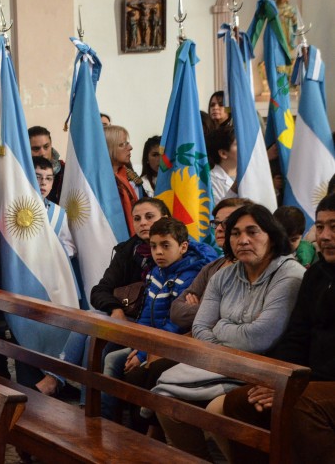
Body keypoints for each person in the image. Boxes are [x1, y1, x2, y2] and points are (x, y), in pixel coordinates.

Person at [155, 204, 304, 460]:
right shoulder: (224, 275)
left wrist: (221, 325)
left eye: (252, 232)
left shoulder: (289, 275)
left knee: (216, 411)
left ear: (271, 235)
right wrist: (232, 333)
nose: (243, 240)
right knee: (166, 402)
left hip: (264, 370)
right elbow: (200, 328)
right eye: (235, 233)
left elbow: (261, 337)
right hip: (221, 364)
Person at [219, 195, 335, 463]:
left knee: (299, 407)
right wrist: (276, 380)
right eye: (319, 227)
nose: (325, 236)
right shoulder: (316, 275)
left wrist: (295, 387)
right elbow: (297, 335)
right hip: (310, 379)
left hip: (321, 383)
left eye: (334, 226)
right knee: (239, 401)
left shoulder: (294, 272)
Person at [104, 218, 215, 422]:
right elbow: (146, 314)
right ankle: (107, 420)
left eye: (165, 246)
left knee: (131, 369)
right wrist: (139, 345)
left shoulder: (190, 276)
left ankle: (133, 426)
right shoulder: (157, 272)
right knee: (111, 356)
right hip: (150, 341)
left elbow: (177, 324)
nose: (158, 252)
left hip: (173, 344)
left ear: (183, 247)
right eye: (153, 246)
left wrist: (144, 352)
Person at [169, 197, 253, 332]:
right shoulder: (211, 267)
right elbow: (176, 312)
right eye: (216, 223)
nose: (219, 229)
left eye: (226, 223)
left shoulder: (252, 267)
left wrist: (201, 306)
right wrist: (213, 311)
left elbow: (241, 318)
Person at [90, 197, 170, 318]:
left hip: (163, 321)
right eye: (137, 219)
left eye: (149, 217)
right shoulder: (126, 251)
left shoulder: (181, 251)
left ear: (165, 219)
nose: (142, 223)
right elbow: (99, 291)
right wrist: (115, 309)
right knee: (87, 318)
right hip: (129, 315)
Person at [105, 125, 148, 235]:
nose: (130, 147)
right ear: (108, 149)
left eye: (127, 143)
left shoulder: (131, 178)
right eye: (122, 144)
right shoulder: (99, 184)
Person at [28, 126, 66, 204]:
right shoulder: (20, 173)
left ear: (51, 144)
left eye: (46, 147)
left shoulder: (66, 171)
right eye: (36, 149)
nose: (42, 153)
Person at [206, 125, 237, 206]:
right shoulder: (210, 180)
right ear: (223, 153)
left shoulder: (251, 173)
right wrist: (234, 189)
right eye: (237, 144)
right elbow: (219, 211)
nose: (244, 148)